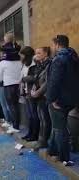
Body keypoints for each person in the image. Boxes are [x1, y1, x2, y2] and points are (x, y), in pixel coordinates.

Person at [46, 35, 79, 166]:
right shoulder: (74, 57)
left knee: (60, 129)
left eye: (53, 45)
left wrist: (52, 99)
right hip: (72, 99)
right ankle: (52, 150)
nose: (53, 48)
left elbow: (54, 81)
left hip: (59, 100)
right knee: (57, 126)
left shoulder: (59, 59)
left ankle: (63, 156)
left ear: (58, 45)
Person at [0, 33, 22, 134]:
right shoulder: (20, 62)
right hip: (19, 85)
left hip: (8, 86)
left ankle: (15, 125)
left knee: (11, 106)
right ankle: (14, 124)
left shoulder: (2, 63)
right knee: (16, 106)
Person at [31, 47, 52, 149]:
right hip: (38, 95)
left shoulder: (49, 64)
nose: (36, 55)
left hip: (44, 95)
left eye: (39, 53)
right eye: (36, 53)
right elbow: (37, 78)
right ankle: (41, 140)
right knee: (41, 118)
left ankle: (44, 141)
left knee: (45, 119)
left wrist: (37, 92)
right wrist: (34, 89)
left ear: (46, 54)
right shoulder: (39, 65)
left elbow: (47, 82)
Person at [20, 46, 40, 142]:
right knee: (29, 115)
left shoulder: (34, 64)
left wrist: (24, 79)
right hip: (26, 92)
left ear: (26, 55)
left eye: (22, 55)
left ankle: (34, 135)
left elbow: (35, 77)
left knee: (33, 115)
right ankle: (30, 133)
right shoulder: (25, 64)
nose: (21, 57)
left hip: (32, 92)